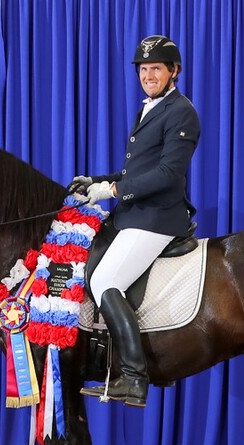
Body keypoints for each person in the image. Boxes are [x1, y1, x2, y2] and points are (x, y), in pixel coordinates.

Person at [71, 35, 201, 407]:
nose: (148, 75)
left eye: (155, 68)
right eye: (143, 69)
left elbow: (166, 175)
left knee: (105, 280)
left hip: (157, 218)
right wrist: (96, 180)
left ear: (173, 72)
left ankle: (134, 377)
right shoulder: (151, 108)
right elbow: (135, 170)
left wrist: (112, 190)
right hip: (136, 214)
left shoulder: (182, 112)